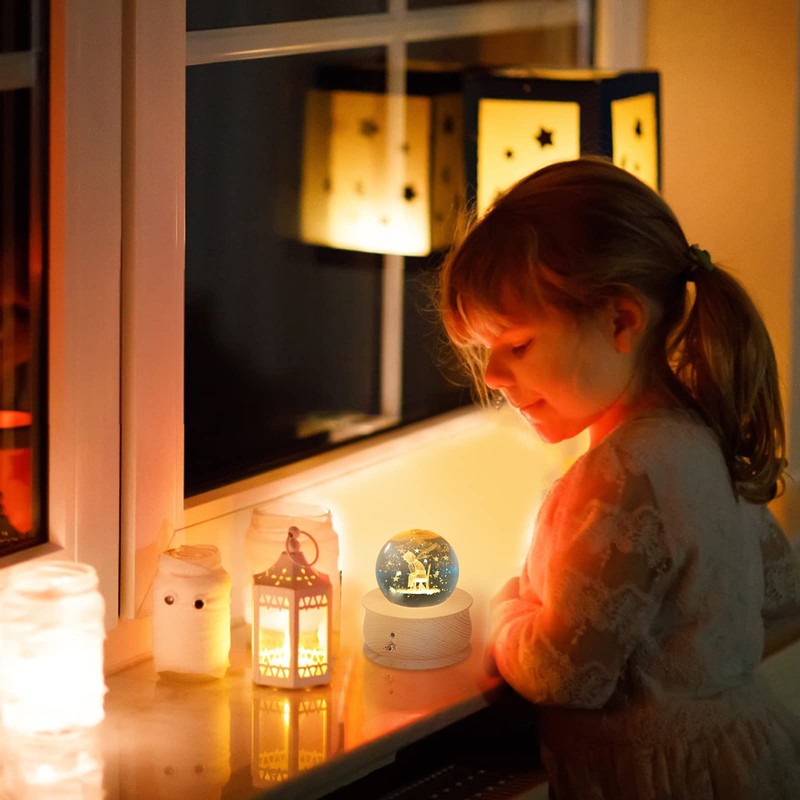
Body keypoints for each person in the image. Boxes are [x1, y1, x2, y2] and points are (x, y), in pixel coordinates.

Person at [437, 157, 800, 799]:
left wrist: (509, 611)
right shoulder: (699, 435)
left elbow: (565, 675)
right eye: (486, 351)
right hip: (743, 759)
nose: (492, 375)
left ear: (620, 321)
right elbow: (781, 591)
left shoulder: (622, 474)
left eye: (517, 344)